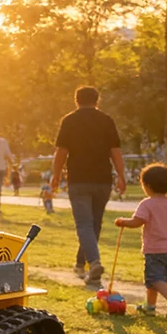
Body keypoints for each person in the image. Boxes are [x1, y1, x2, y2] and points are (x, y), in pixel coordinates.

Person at [51, 86, 126, 288]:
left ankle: (93, 263)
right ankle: (79, 263)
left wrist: (55, 176)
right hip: (103, 179)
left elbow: (61, 152)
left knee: (84, 224)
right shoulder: (106, 120)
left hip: (79, 179)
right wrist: (121, 176)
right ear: (97, 100)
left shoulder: (69, 121)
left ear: (76, 100)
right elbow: (115, 151)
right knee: (94, 225)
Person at [114, 163, 167, 321]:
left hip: (155, 250)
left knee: (154, 279)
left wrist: (123, 221)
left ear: (147, 185)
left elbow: (137, 222)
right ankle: (149, 307)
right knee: (157, 279)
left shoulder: (147, 204)